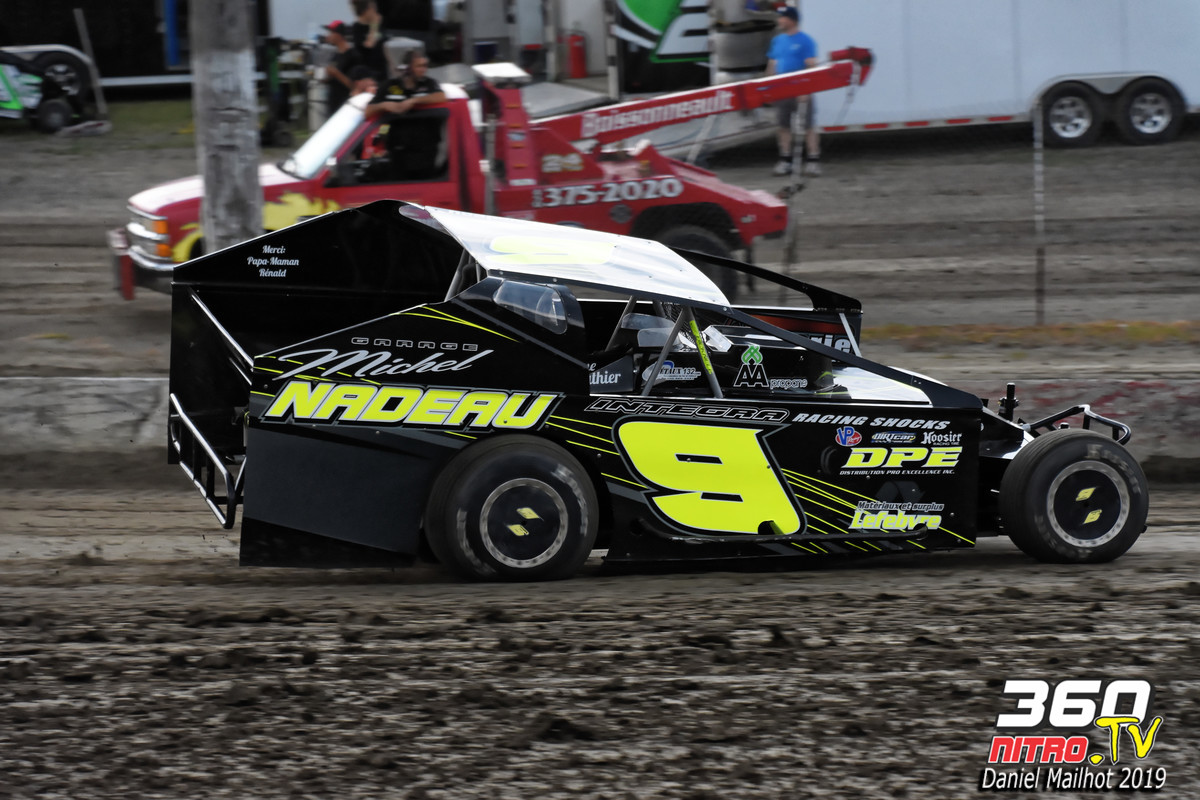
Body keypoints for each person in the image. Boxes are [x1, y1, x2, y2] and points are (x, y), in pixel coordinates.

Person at [365, 50, 448, 180]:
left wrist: (414, 101)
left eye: (425, 65)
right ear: (407, 68)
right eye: (419, 66)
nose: (423, 70)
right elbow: (368, 111)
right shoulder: (389, 86)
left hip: (426, 155)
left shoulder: (429, 84)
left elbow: (441, 97)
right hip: (398, 155)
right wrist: (384, 105)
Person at [766, 6, 821, 176]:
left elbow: (811, 66)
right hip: (782, 90)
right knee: (783, 126)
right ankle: (785, 161)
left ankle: (813, 162)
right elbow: (772, 65)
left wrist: (806, 90)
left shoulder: (806, 41)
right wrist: (768, 88)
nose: (779, 20)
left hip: (800, 91)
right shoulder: (777, 41)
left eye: (782, 17)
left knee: (808, 126)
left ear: (791, 20)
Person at [322, 21, 362, 115]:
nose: (329, 36)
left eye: (331, 33)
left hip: (345, 106)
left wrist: (336, 73)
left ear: (339, 35)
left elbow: (355, 86)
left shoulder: (353, 56)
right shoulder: (335, 55)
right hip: (333, 105)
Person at [350, 0, 390, 81]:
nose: (376, 12)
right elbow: (369, 46)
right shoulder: (357, 28)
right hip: (368, 75)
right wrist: (374, 24)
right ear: (366, 10)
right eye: (373, 9)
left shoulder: (378, 27)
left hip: (382, 72)